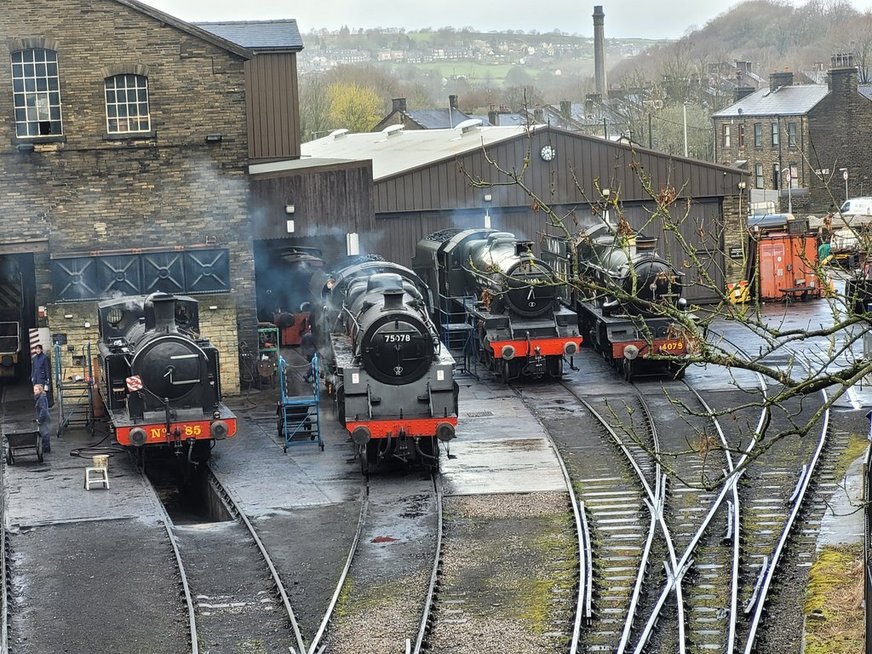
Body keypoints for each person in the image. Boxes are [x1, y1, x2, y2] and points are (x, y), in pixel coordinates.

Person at [34, 384, 51, 454]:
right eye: (34, 390)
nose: (34, 391)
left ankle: (46, 449)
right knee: (44, 433)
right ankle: (45, 448)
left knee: (45, 433)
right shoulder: (40, 398)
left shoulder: (41, 398)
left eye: (36, 390)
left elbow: (43, 410)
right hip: (43, 418)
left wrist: (40, 419)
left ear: (40, 390)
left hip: (44, 418)